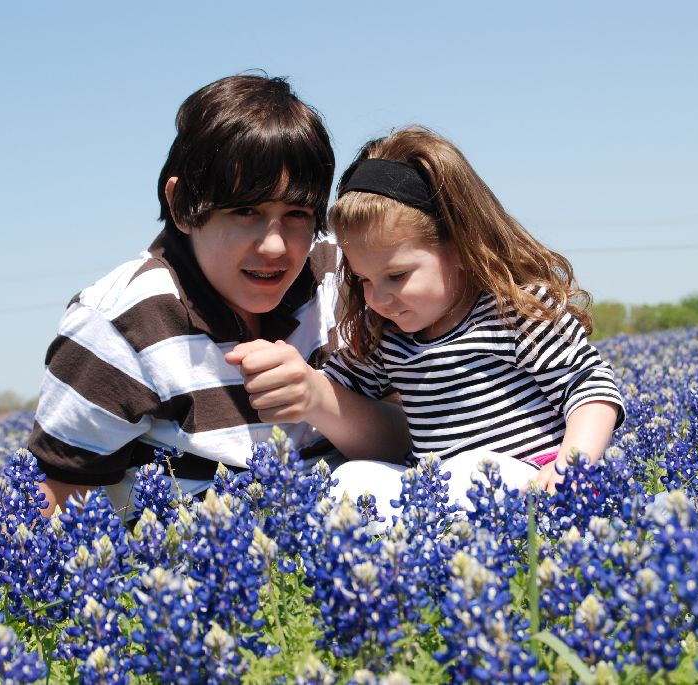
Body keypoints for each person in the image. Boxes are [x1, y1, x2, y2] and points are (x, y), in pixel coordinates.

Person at [27, 74, 410, 518]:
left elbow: (411, 437)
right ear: (182, 206)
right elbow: (54, 498)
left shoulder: (344, 276)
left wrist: (321, 399)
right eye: (245, 210)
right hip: (193, 553)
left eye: (297, 213)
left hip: (354, 538)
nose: (274, 246)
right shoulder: (120, 323)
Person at [226, 126, 625, 519]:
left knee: (474, 469)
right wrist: (286, 371)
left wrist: (571, 467)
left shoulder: (515, 311)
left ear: (460, 246)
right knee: (350, 478)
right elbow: (332, 387)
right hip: (437, 492)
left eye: (396, 276)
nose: (377, 298)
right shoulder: (387, 337)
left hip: (532, 485)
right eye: (364, 280)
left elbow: (589, 386)